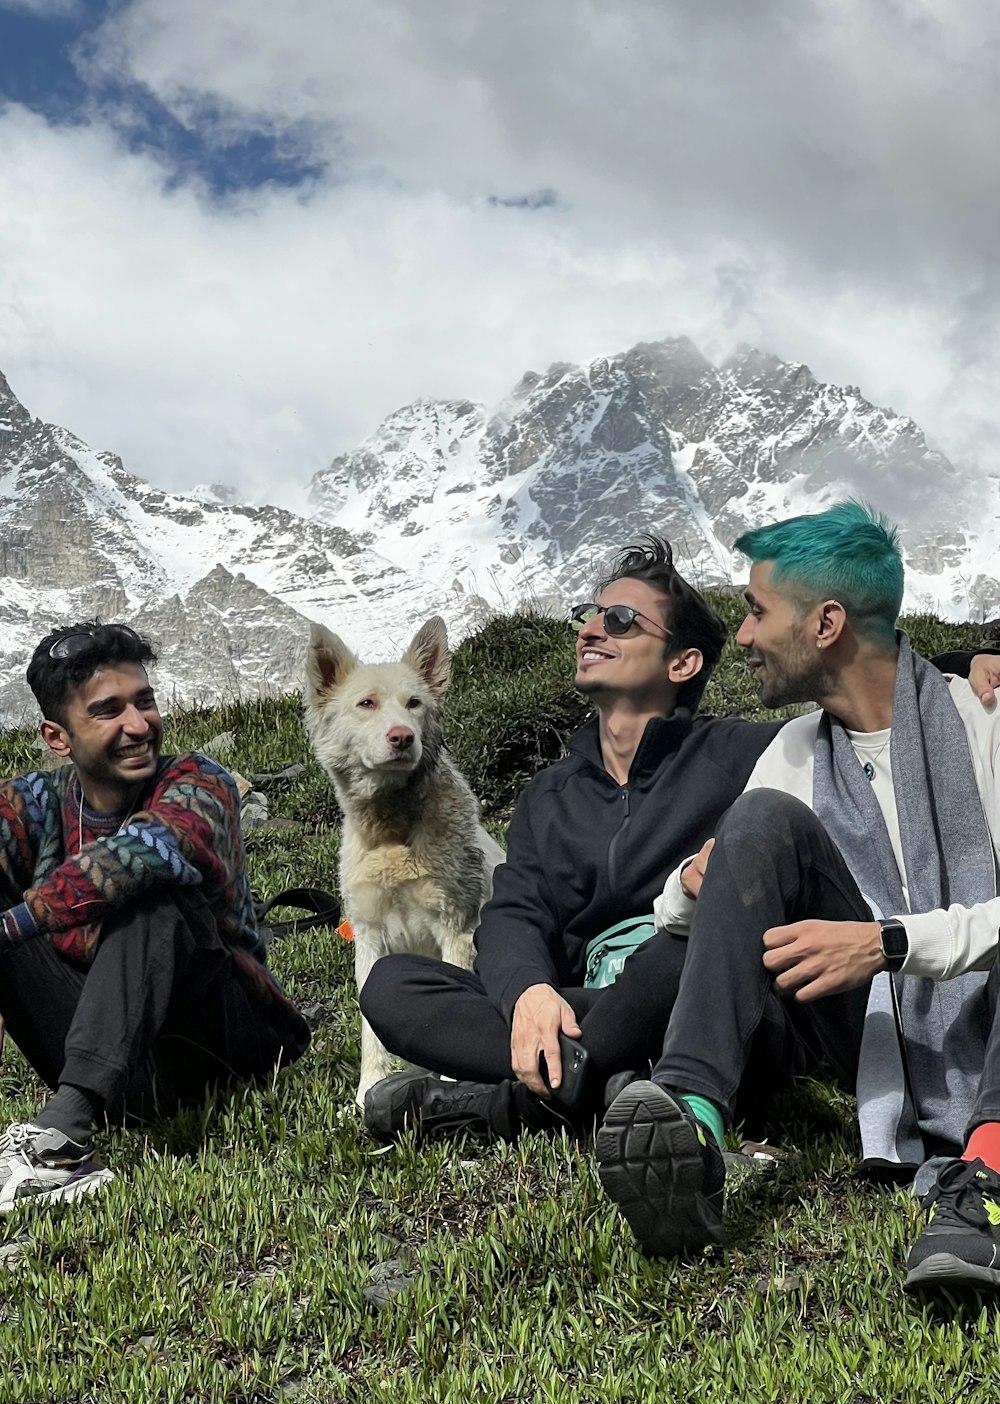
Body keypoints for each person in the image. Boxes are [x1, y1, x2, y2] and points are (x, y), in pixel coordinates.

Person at [359, 535, 990, 1146]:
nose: (591, 629)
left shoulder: (746, 751)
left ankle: (519, 1103)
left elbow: (868, 693)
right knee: (390, 985)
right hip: (581, 1005)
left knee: (675, 953)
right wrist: (528, 993)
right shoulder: (547, 794)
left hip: (703, 990)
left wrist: (967, 665)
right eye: (590, 614)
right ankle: (608, 1076)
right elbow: (515, 913)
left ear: (682, 662)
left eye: (622, 620)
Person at [595, 503, 1000, 1295]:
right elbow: (681, 919)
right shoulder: (792, 753)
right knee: (759, 820)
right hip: (872, 1025)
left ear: (826, 623)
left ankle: (984, 1178)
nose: (740, 636)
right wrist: (693, 883)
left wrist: (885, 943)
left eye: (755, 611)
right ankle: (693, 1125)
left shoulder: (984, 721)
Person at [0, 622, 310, 1210]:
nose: (139, 726)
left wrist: (16, 924)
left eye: (144, 701)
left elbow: (150, 853)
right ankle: (75, 1110)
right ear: (57, 737)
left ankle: (62, 1141)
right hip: (118, 1068)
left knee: (152, 886)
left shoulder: (200, 781)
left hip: (218, 1049)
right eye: (108, 711)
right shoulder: (34, 804)